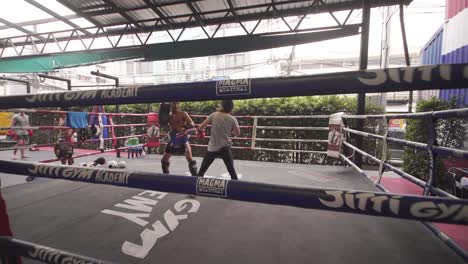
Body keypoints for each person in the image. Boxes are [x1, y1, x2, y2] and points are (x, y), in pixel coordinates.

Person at [197, 100, 240, 180]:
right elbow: (237, 133)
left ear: (222, 106)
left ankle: (194, 189)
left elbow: (201, 127)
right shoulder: (232, 119)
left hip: (212, 148)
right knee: (232, 172)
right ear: (231, 108)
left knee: (201, 172)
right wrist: (229, 128)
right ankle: (236, 191)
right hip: (225, 148)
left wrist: (201, 132)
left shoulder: (214, 115)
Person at [161, 102, 198, 176]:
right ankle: (166, 177)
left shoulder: (183, 114)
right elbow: (163, 125)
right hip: (173, 138)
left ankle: (195, 178)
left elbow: (192, 124)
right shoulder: (169, 115)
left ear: (178, 104)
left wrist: (185, 128)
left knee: (190, 159)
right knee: (164, 160)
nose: (174, 105)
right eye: (172, 103)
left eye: (175, 103)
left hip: (183, 138)